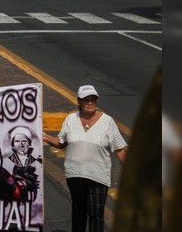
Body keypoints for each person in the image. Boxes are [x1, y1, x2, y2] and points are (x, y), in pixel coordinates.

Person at [43, 85, 128, 232]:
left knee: (96, 215)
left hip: (98, 177)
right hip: (75, 174)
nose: (90, 102)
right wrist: (45, 136)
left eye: (93, 99)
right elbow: (61, 142)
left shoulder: (107, 122)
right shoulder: (71, 119)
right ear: (79, 101)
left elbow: (120, 150)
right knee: (78, 214)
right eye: (86, 99)